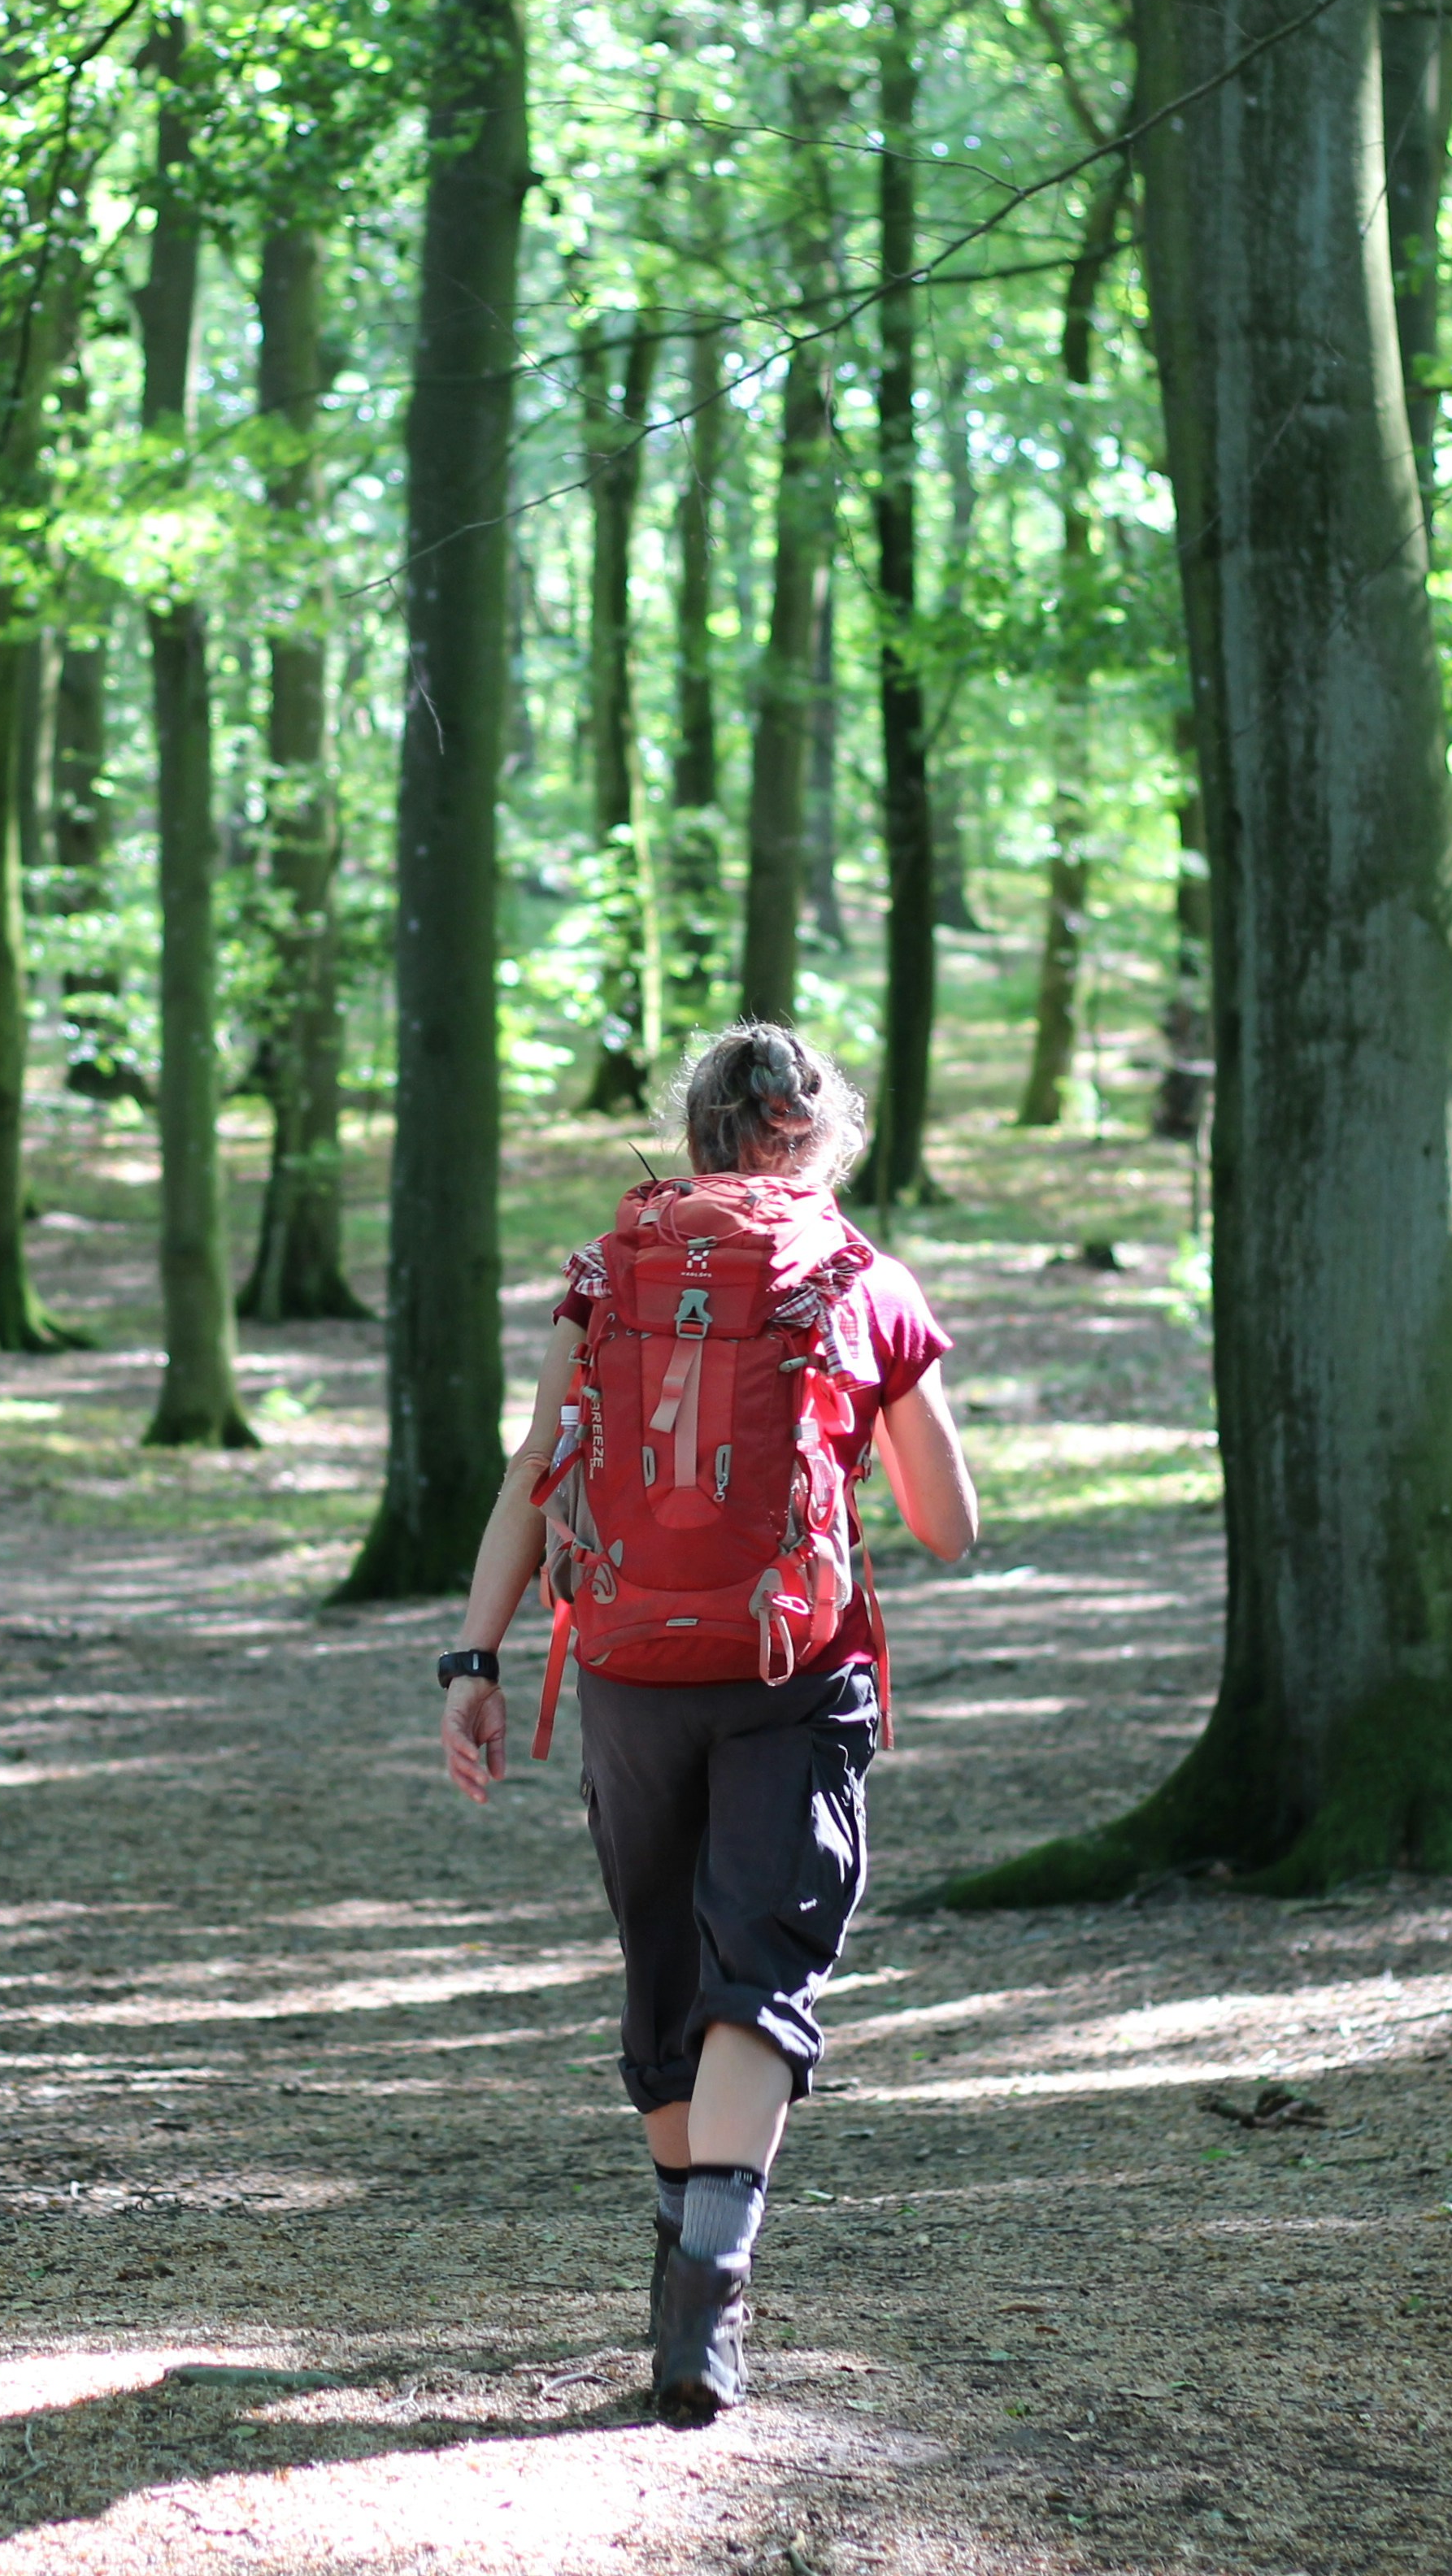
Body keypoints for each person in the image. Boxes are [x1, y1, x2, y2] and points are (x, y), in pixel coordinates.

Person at [435, 1021, 979, 2425]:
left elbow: (532, 1470)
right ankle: (709, 2297)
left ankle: (681, 2269)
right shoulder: (863, 1278)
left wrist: (473, 1659)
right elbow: (950, 1529)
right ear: (820, 1135)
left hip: (622, 1664)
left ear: (692, 1135)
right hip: (796, 1666)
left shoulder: (606, 1272)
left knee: (670, 1970)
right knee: (766, 1963)